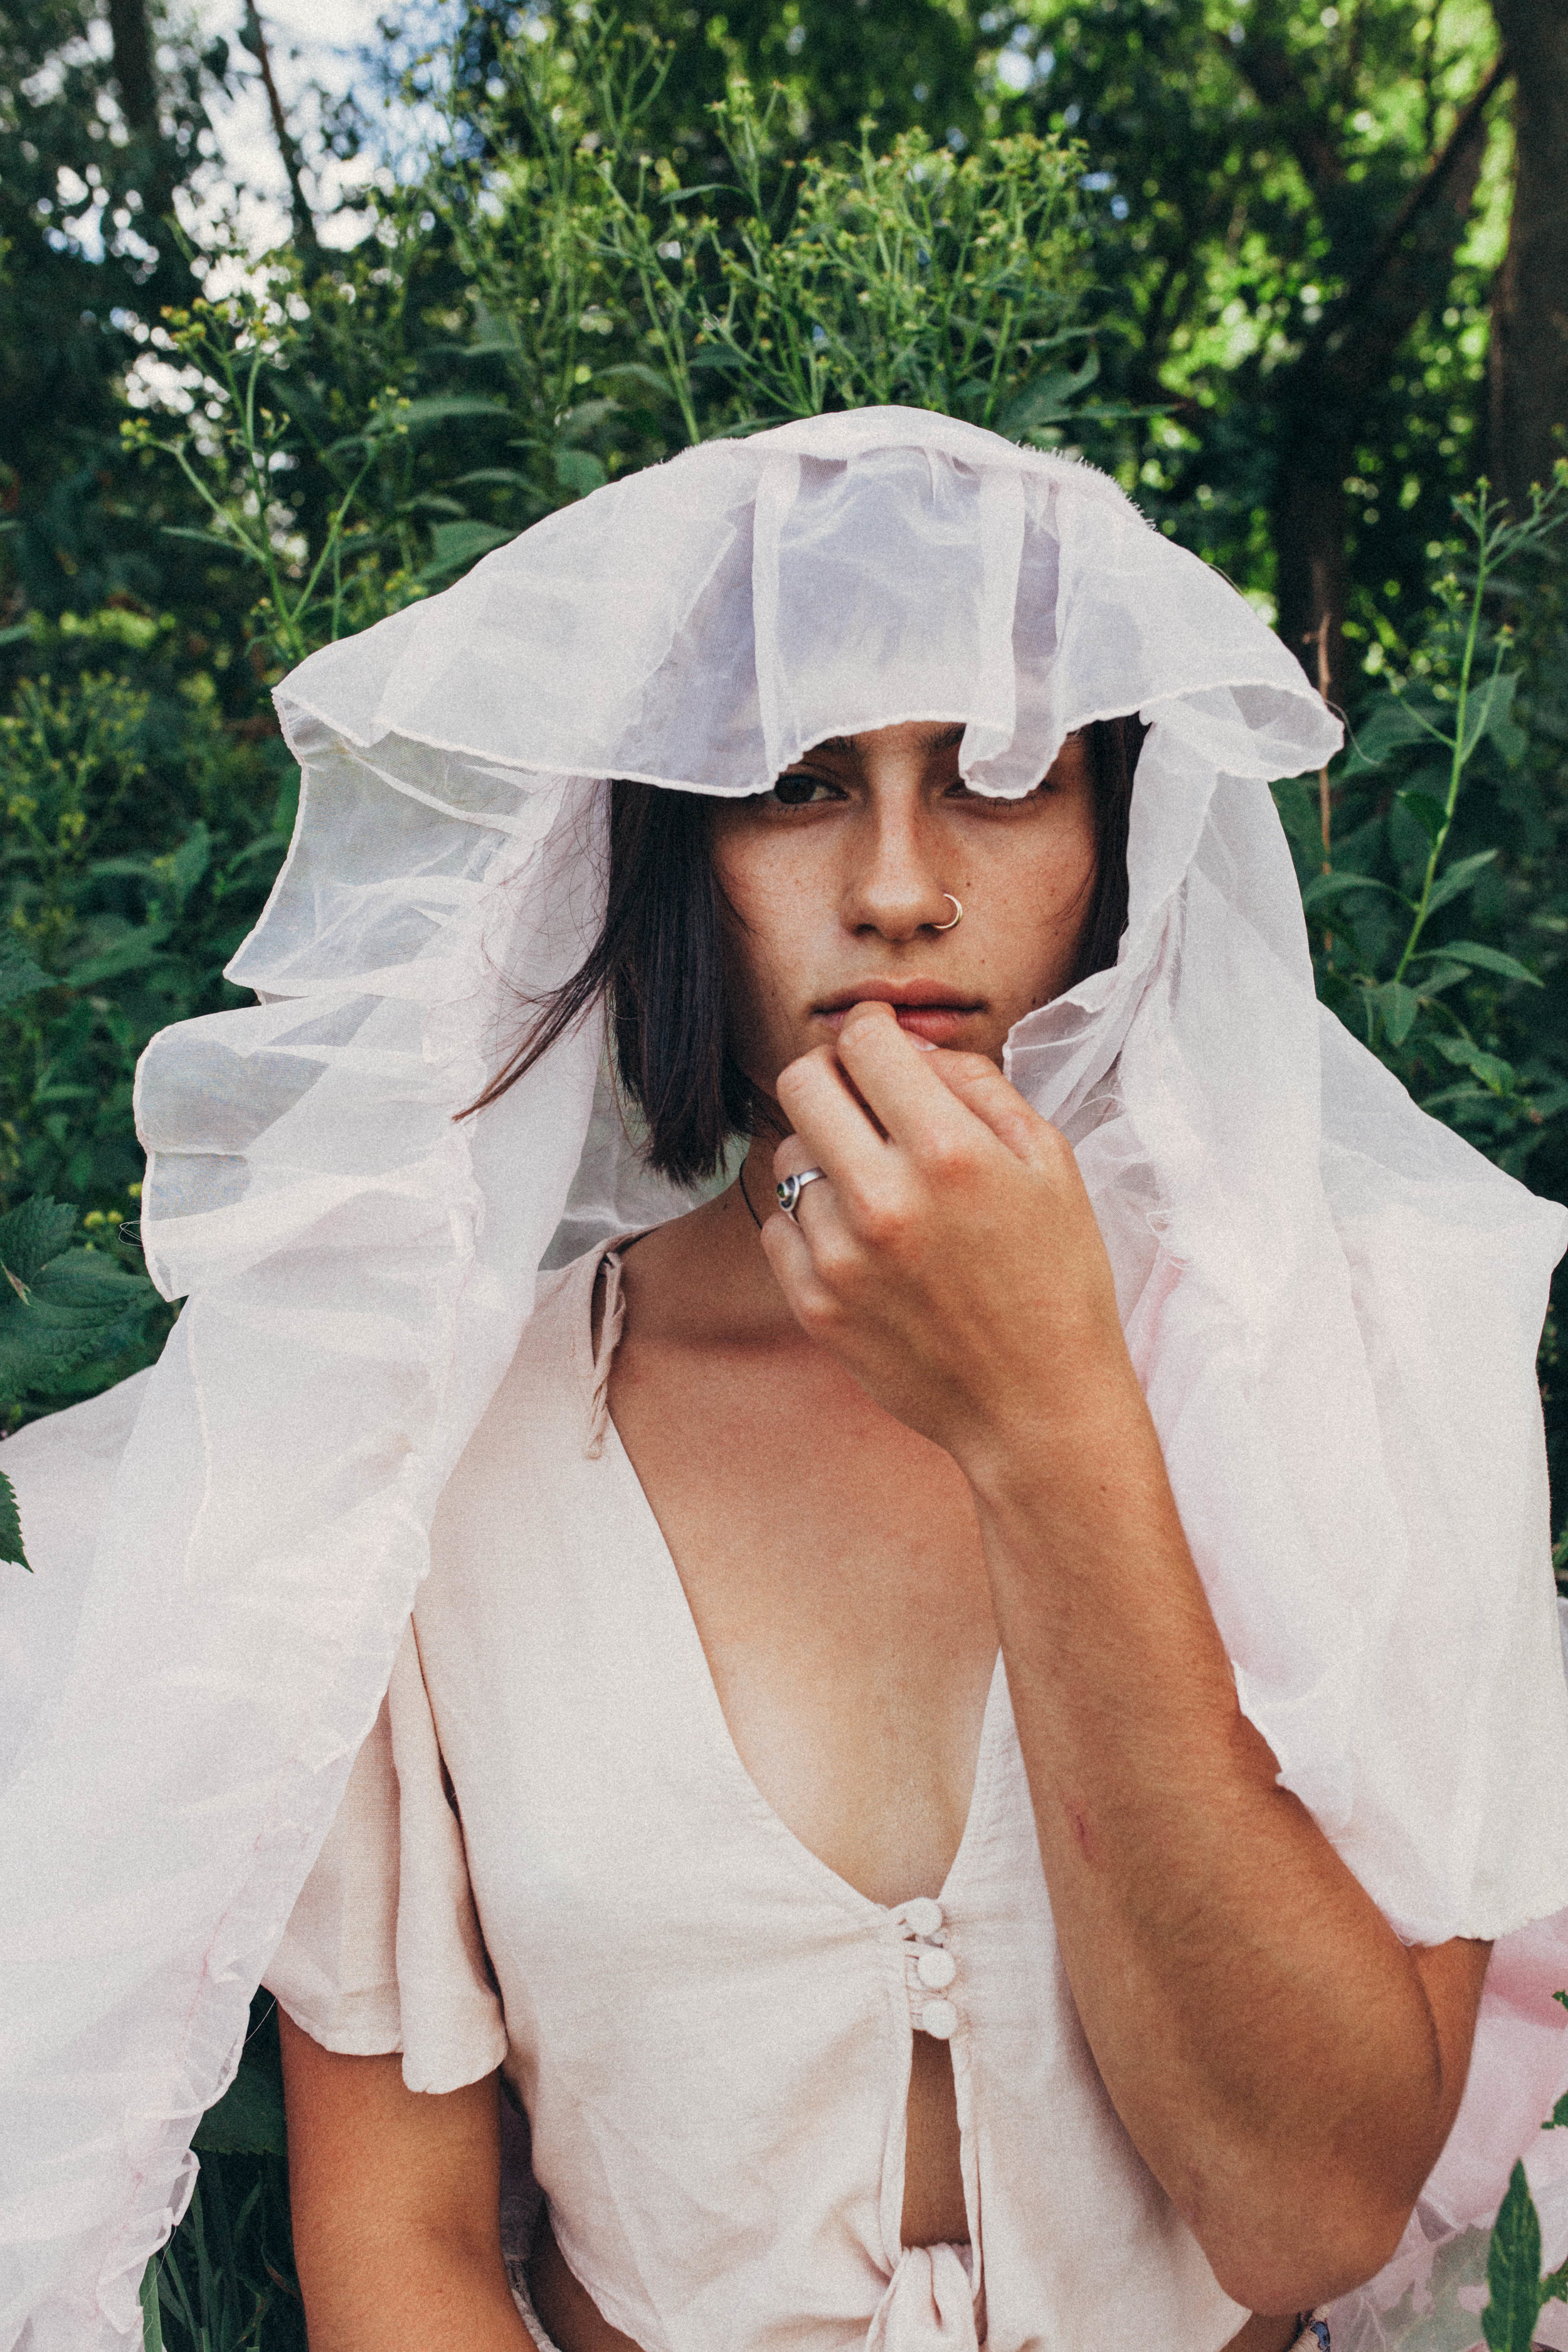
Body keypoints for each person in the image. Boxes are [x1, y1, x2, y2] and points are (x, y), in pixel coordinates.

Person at [5, 408, 1568, 2352]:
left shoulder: (1360, 1345)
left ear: (1115, 838)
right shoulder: (434, 1448)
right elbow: (398, 2251)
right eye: (796, 784)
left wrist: (1052, 1418)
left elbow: (1308, 2211)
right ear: (672, 850)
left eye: (998, 778)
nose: (899, 888)